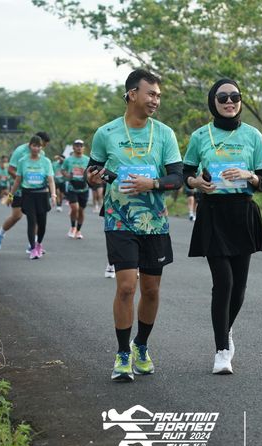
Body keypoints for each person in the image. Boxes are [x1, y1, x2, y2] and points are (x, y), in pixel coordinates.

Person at [85, 68, 183, 382]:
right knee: (126, 287)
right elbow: (93, 169)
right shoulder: (106, 133)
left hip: (154, 222)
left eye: (158, 95)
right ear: (132, 94)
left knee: (151, 290)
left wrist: (151, 183)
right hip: (119, 220)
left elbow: (177, 178)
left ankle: (141, 345)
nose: (155, 100)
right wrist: (91, 178)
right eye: (150, 94)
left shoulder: (164, 134)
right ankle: (122, 353)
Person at [183, 78, 262, 374]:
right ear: (213, 102)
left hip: (242, 214)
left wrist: (249, 175)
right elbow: (186, 174)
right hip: (212, 214)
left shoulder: (253, 136)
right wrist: (197, 182)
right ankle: (221, 350)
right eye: (223, 97)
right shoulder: (200, 135)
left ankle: (226, 328)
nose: (230, 101)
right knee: (224, 282)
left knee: (239, 288)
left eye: (235, 96)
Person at [0, 131, 51, 251]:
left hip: (35, 192)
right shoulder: (20, 151)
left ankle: (33, 246)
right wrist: (22, 184)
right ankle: (0, 234)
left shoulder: (42, 153)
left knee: (36, 217)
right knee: (16, 216)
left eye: (43, 146)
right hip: (20, 189)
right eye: (42, 144)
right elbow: (11, 170)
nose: (42, 147)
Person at [8, 135, 56, 259]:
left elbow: (50, 180)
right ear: (30, 146)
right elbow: (18, 180)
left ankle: (39, 243)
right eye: (34, 146)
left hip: (42, 194)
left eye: (39, 146)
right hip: (28, 194)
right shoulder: (23, 161)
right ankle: (33, 248)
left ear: (41, 147)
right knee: (31, 221)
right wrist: (11, 195)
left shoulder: (46, 161)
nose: (36, 148)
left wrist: (53, 194)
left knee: (42, 224)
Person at [63, 141, 90, 239]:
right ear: (73, 147)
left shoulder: (87, 160)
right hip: (72, 187)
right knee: (75, 208)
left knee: (81, 210)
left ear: (83, 148)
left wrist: (88, 176)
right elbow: (63, 170)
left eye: (81, 146)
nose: (79, 148)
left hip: (84, 188)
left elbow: (91, 172)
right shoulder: (68, 160)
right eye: (77, 146)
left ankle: (78, 230)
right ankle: (72, 227)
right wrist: (67, 175)